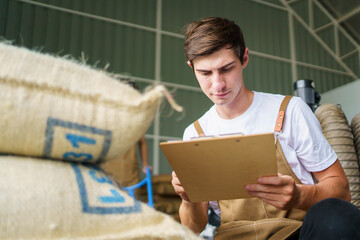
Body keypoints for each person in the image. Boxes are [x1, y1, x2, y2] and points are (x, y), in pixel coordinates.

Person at [171, 17, 360, 239]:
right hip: (233, 236)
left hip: (296, 232)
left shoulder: (289, 110)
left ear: (244, 58)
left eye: (226, 68)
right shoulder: (195, 134)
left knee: (338, 217)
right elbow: (194, 227)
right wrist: (187, 198)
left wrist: (300, 196)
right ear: (191, 67)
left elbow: (342, 192)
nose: (218, 84)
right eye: (205, 73)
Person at [101, 81, 152, 197]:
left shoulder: (138, 117)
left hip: (129, 170)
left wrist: (145, 165)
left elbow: (142, 142)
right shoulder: (107, 114)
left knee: (132, 203)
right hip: (107, 166)